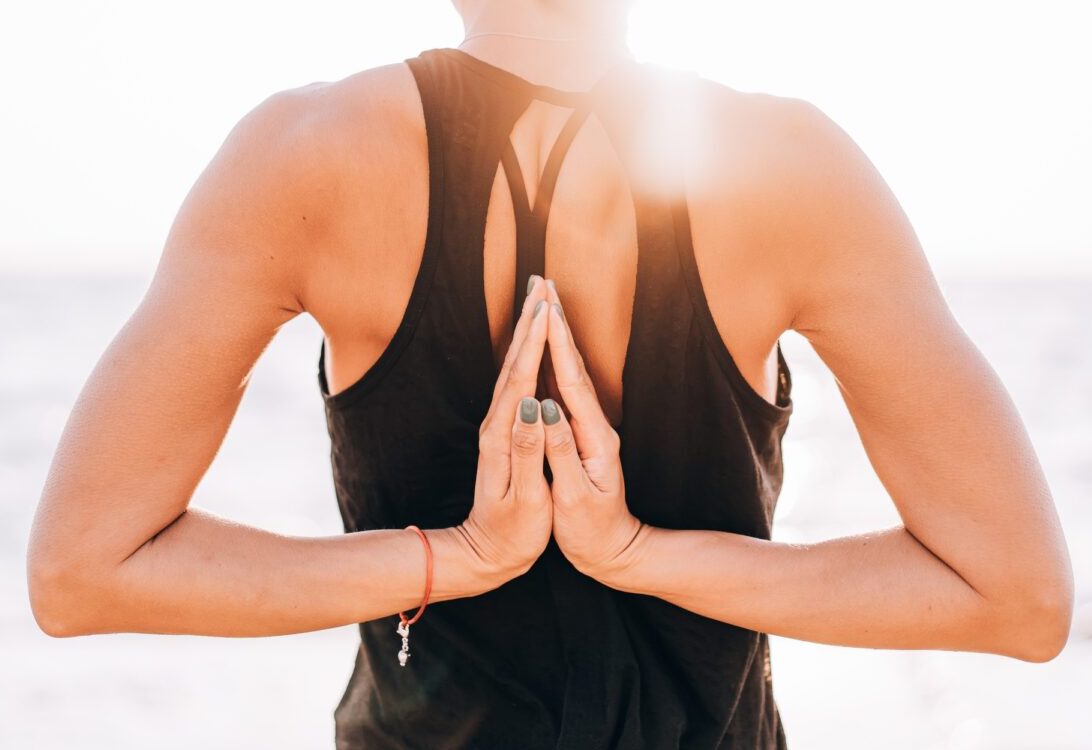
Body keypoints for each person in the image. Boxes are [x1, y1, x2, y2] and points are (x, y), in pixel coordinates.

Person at [27, 0, 1074, 748]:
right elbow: (1014, 595)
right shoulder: (789, 167)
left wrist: (458, 556)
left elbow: (83, 572)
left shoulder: (305, 154)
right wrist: (638, 555)